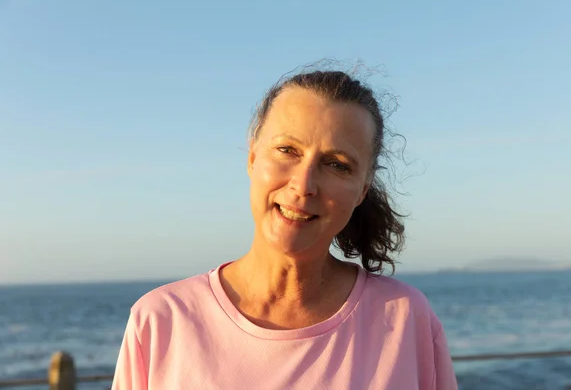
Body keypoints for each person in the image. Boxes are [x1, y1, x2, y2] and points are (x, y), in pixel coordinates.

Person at [111, 69, 459, 389]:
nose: (304, 184)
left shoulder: (404, 320)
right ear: (252, 158)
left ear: (363, 190)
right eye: (287, 150)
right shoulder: (161, 321)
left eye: (336, 165)